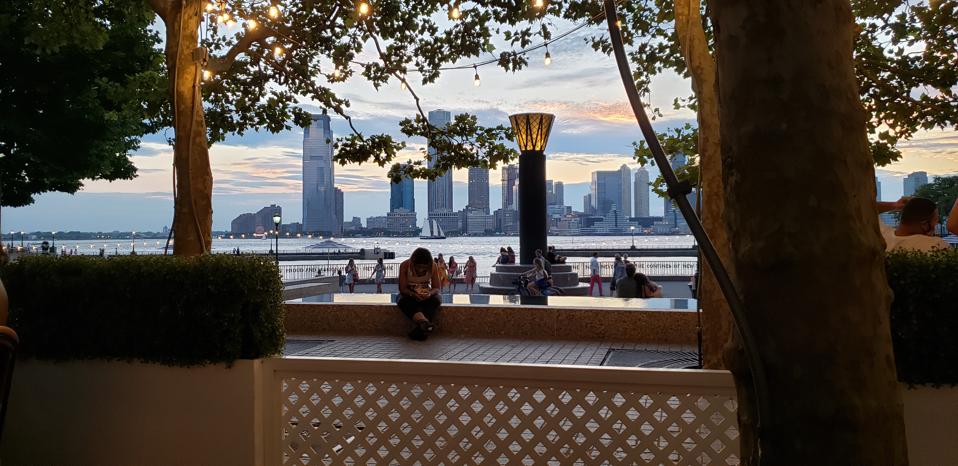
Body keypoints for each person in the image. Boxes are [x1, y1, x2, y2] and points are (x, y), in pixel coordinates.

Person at [398, 248, 442, 341]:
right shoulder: (405, 265)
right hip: (409, 294)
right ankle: (425, 322)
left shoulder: (433, 266)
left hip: (426, 294)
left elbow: (437, 287)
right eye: (418, 267)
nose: (421, 270)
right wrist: (413, 294)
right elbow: (403, 289)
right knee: (403, 301)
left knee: (436, 300)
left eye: (424, 267)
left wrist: (429, 294)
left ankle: (422, 326)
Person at [878, 197, 949, 252]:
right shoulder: (936, 245)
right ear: (924, 224)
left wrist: (894, 205)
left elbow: (871, 208)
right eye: (935, 221)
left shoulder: (881, 235)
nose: (935, 226)